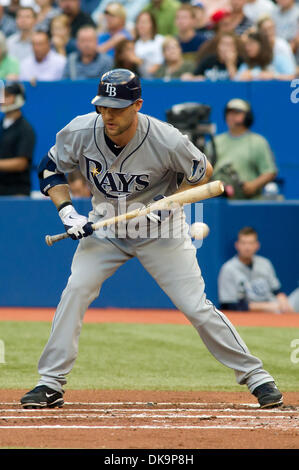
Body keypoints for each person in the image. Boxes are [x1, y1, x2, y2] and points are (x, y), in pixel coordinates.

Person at [20, 68, 283, 411]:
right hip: (107, 226)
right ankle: (50, 383)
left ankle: (257, 376)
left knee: (195, 305)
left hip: (162, 231)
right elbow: (50, 168)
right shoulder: (82, 130)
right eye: (104, 105)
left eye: (117, 106)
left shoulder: (166, 138)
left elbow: (202, 173)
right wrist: (68, 212)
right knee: (76, 290)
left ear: (138, 105)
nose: (108, 114)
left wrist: (163, 207)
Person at [206, 98, 277, 199]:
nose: (232, 117)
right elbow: (204, 172)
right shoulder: (214, 142)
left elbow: (270, 171)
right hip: (219, 201)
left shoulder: (258, 142)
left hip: (248, 203)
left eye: (237, 113)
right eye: (229, 113)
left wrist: (254, 185)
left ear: (247, 117)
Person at [218, 226, 299, 313]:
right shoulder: (228, 269)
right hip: (252, 315)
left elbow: (277, 290)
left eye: (251, 243)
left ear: (257, 245)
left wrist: (283, 300)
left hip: (276, 308)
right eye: (243, 243)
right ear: (237, 245)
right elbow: (228, 305)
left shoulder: (265, 263)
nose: (247, 247)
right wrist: (266, 307)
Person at [0, 82, 35, 196]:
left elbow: (21, 163)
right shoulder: (1, 125)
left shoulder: (26, 129)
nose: (3, 100)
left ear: (18, 99)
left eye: (7, 96)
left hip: (17, 191)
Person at [134, 10, 164, 78]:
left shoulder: (160, 40)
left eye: (144, 22)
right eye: (139, 22)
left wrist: (140, 62)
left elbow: (159, 65)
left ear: (152, 24)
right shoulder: (134, 44)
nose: (141, 25)